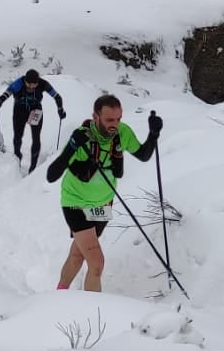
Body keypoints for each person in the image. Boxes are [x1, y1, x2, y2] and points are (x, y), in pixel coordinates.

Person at [44, 93, 160, 292]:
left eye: (118, 119)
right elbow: (51, 175)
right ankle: (93, 313)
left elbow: (143, 155)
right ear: (95, 117)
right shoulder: (82, 137)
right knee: (97, 264)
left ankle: (60, 293)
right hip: (76, 204)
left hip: (104, 204)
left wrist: (153, 134)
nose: (115, 125)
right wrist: (72, 147)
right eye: (109, 120)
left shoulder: (122, 133)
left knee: (78, 255)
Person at [0, 69, 65, 173]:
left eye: (33, 85)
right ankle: (17, 158)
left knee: (36, 138)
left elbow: (57, 96)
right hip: (20, 111)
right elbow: (7, 92)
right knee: (18, 136)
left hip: (35, 111)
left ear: (37, 82)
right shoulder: (19, 83)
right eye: (28, 84)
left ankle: (33, 167)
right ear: (25, 81)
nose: (30, 87)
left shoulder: (42, 83)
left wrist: (60, 109)